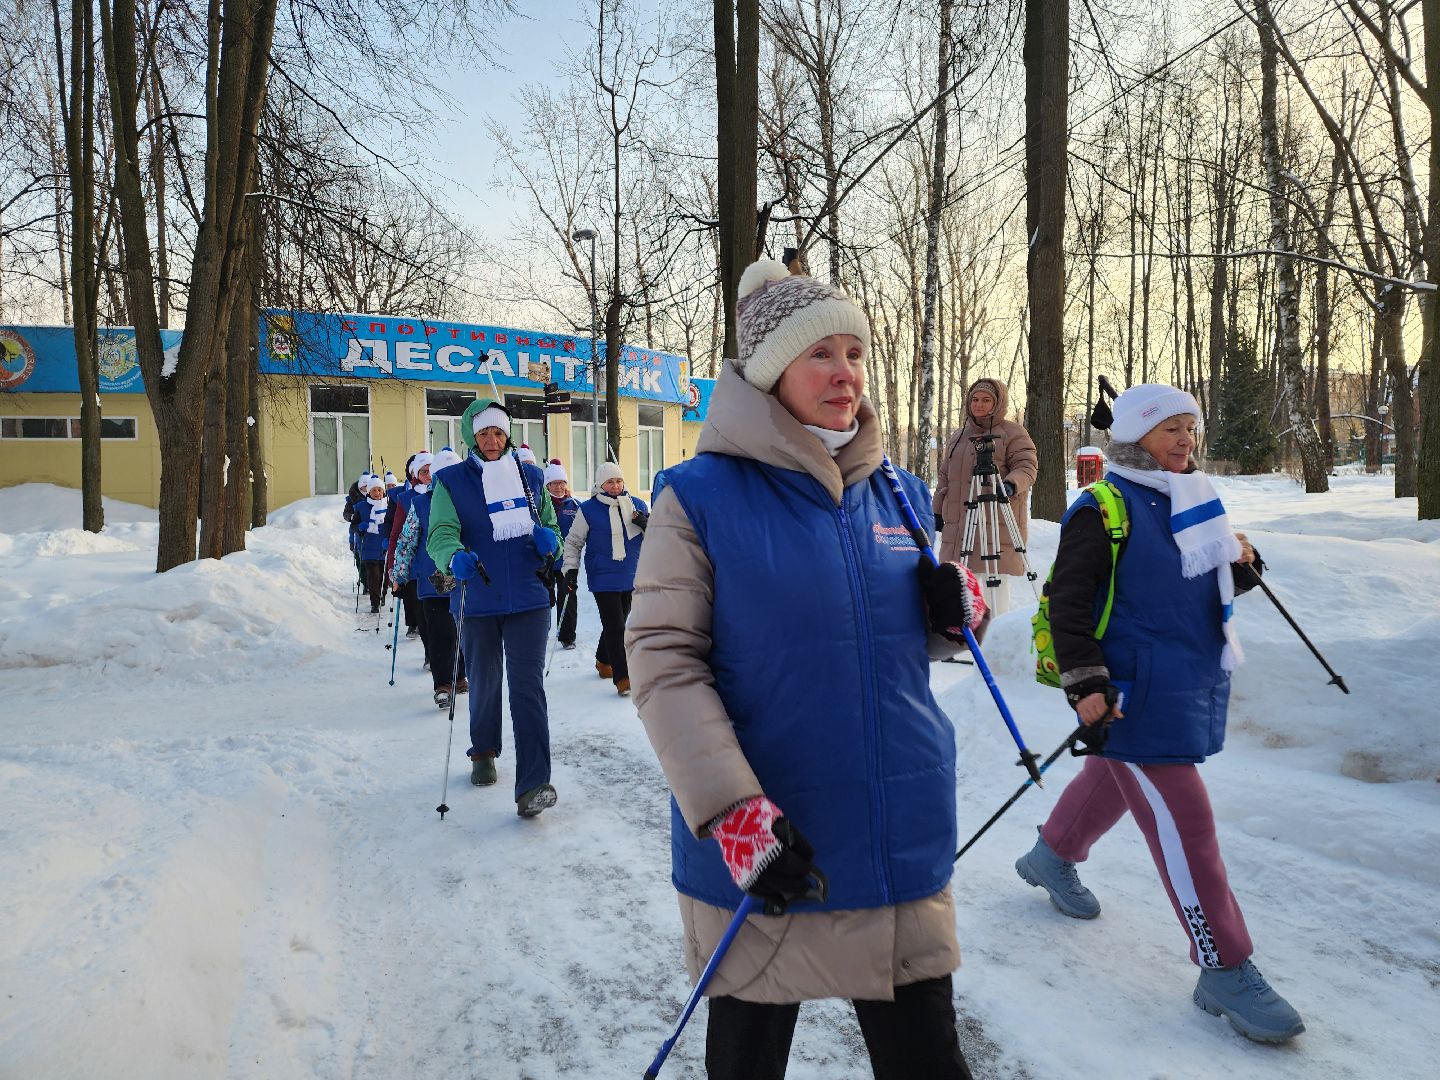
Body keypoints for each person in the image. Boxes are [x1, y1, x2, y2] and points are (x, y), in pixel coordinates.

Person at [627, 258, 988, 1080]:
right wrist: (733, 816)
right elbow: (664, 665)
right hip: (773, 843)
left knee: (931, 1063)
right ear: (767, 373)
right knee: (749, 1062)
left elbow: (911, 636)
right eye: (820, 353)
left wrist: (953, 610)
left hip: (896, 829)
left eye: (854, 353)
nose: (846, 373)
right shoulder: (698, 497)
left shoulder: (893, 489)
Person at [1014, 382, 1304, 1044]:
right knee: (1187, 822)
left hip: (1186, 678)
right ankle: (1224, 965)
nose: (1185, 439)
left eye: (1190, 427)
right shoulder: (1104, 505)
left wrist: (1245, 563)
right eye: (1170, 427)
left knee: (1121, 778)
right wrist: (1085, 682)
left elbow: (1204, 582)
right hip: (1131, 689)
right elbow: (1070, 601)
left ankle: (1051, 854)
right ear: (1136, 435)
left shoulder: (1194, 498)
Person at [426, 398, 562, 818]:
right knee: (484, 680)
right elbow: (440, 533)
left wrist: (550, 542)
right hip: (478, 598)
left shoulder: (530, 476)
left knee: (528, 688)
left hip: (528, 598)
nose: (491, 440)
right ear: (471, 435)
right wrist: (453, 557)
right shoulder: (450, 481)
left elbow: (552, 526)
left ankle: (533, 784)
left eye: (498, 432)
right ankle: (483, 750)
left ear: (508, 436)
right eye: (483, 433)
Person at [932, 378, 1038, 617]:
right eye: (975, 399)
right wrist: (937, 511)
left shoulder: (1013, 433)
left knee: (994, 583)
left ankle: (995, 635)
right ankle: (965, 636)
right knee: (961, 581)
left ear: (998, 403)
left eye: (986, 400)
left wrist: (1011, 485)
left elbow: (1027, 466)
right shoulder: (959, 435)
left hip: (994, 521)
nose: (979, 405)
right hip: (960, 522)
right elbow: (945, 476)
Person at [561, 461, 648, 695]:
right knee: (616, 626)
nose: (615, 485)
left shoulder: (636, 506)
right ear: (600, 484)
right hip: (603, 576)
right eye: (610, 481)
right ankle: (623, 677)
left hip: (631, 574)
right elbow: (574, 542)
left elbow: (658, 536)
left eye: (618, 480)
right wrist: (570, 569)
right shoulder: (588, 510)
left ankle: (603, 660)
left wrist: (646, 523)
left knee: (618, 622)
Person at [392, 449, 467, 706]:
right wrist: (399, 575)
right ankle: (443, 683)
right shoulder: (422, 504)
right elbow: (406, 542)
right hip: (433, 578)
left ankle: (460, 675)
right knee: (441, 632)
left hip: (466, 579)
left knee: (463, 629)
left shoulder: (471, 501)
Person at [385, 453, 427, 639]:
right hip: (413, 562)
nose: (428, 475)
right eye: (423, 471)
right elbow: (397, 532)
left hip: (437, 563)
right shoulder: (404, 498)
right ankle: (414, 626)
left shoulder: (445, 495)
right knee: (417, 603)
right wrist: (393, 567)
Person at [545, 459, 581, 650]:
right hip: (547, 560)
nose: (559, 487)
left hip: (568, 560)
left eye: (561, 483)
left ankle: (567, 636)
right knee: (544, 598)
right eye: (554, 483)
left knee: (568, 597)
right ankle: (540, 631)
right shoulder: (541, 504)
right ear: (547, 484)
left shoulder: (574, 505)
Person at [355, 475, 391, 613]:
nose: (377, 493)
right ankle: (374, 602)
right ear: (369, 492)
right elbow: (354, 526)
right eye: (374, 490)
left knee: (383, 575)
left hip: (383, 545)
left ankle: (382, 596)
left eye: (380, 490)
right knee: (373, 575)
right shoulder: (361, 507)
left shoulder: (389, 505)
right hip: (369, 546)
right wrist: (360, 527)